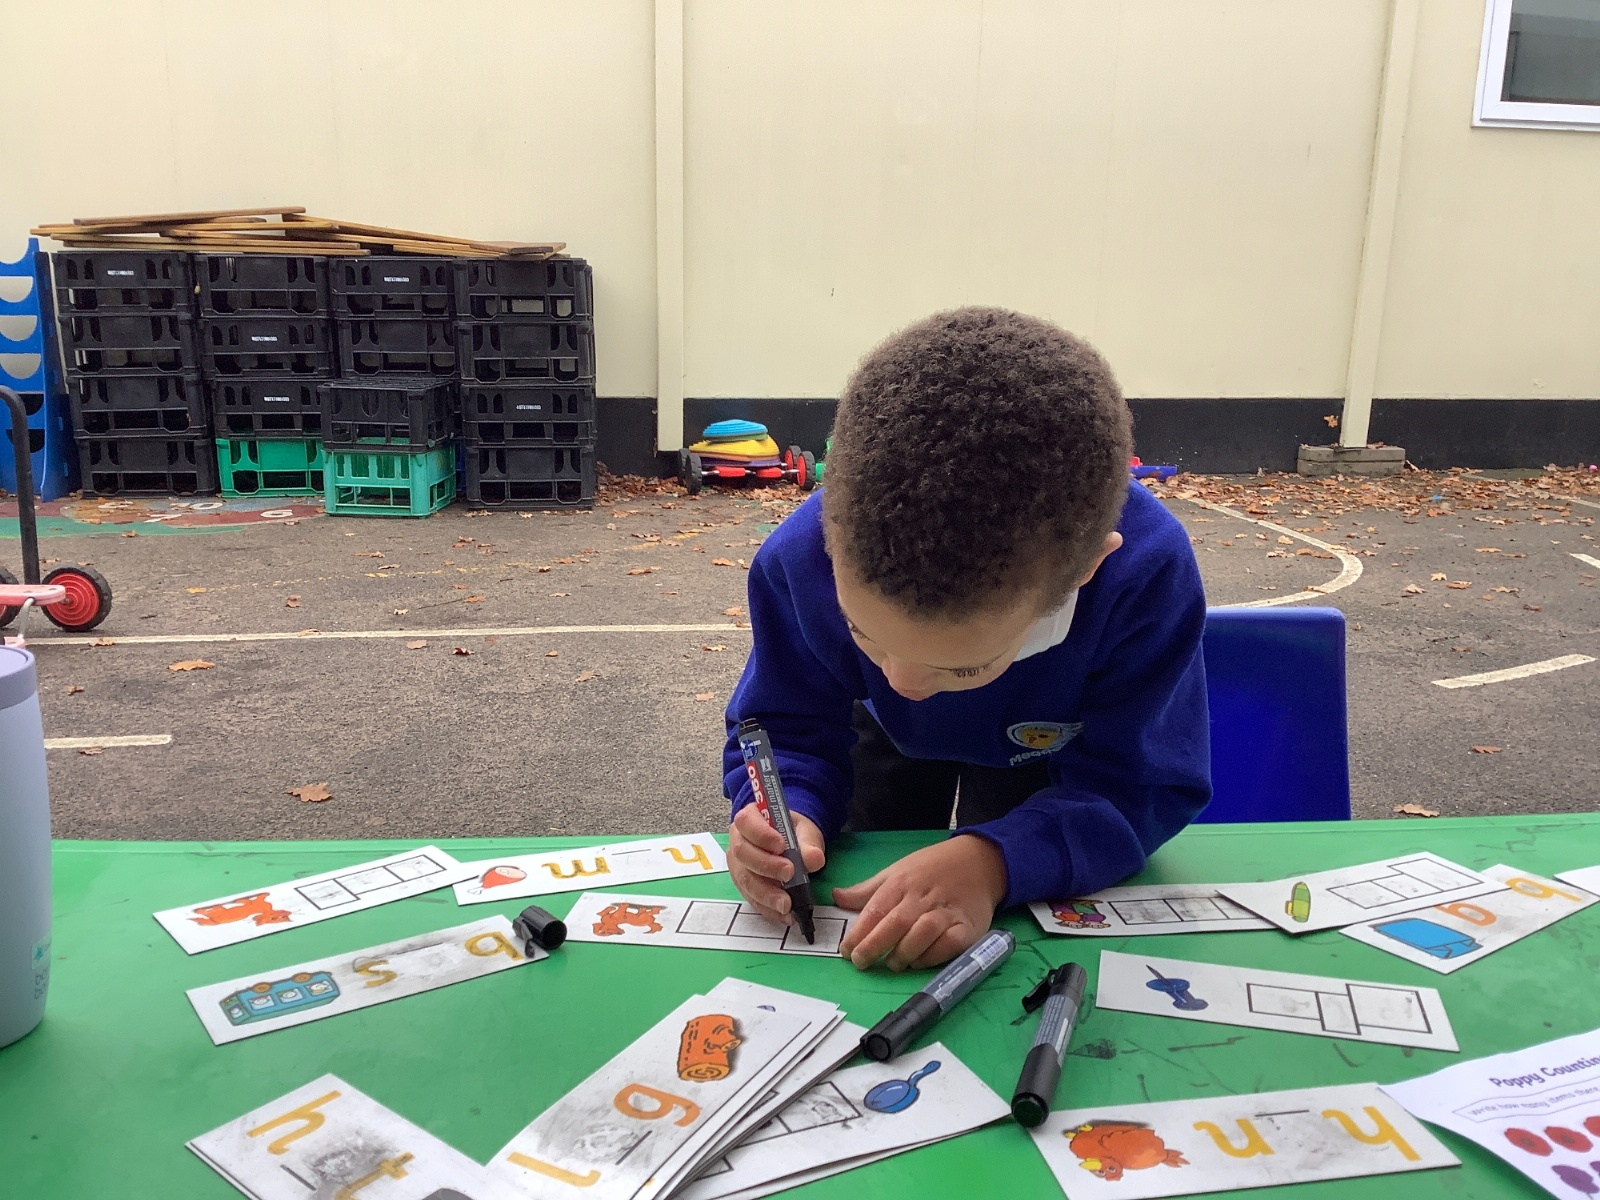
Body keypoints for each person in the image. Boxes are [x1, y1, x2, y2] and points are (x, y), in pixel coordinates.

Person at [723, 307, 1210, 971]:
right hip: (872, 733)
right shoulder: (800, 558)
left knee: (1011, 834)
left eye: (964, 666)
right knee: (872, 836)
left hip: (1046, 741)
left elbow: (1140, 784)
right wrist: (784, 811)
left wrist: (993, 862)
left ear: (1086, 571)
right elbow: (784, 726)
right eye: (864, 634)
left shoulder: (1144, 575)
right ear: (828, 541)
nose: (903, 683)